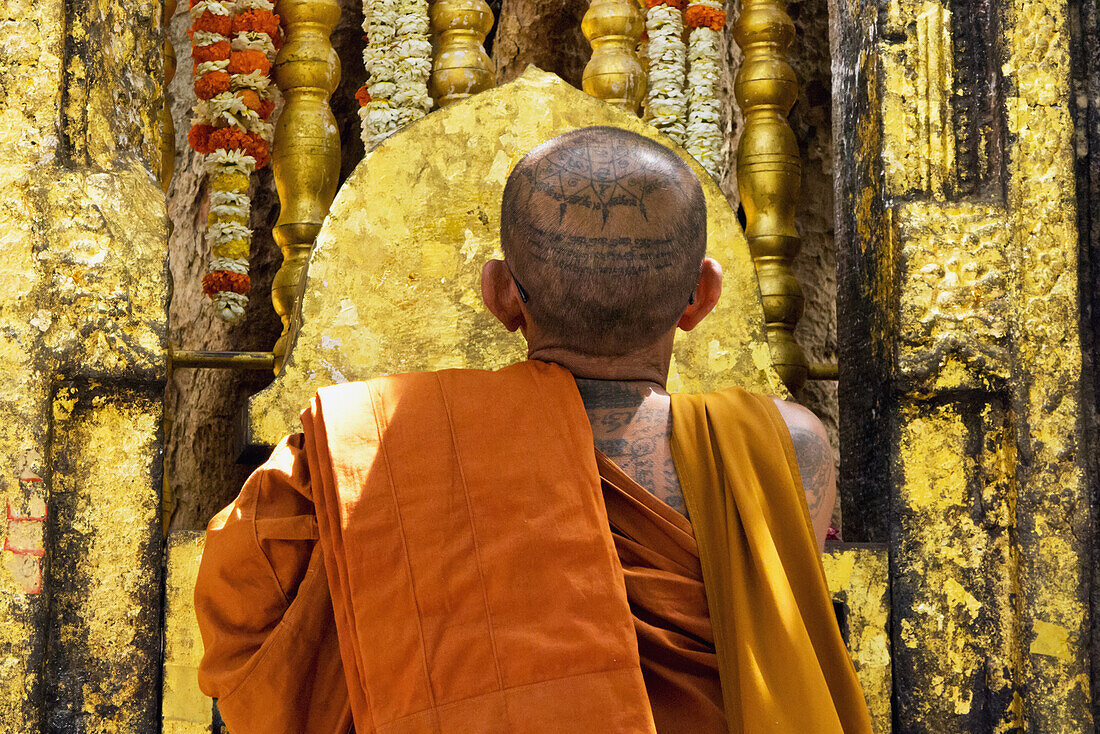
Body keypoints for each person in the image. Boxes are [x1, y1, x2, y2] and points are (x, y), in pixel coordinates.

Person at [195, 126, 873, 733]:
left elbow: (246, 623)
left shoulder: (360, 449)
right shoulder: (789, 446)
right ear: (703, 295)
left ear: (500, 295)